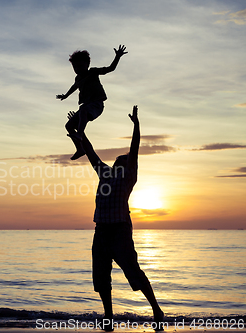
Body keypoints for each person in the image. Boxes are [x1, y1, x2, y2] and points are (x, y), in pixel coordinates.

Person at [70, 106, 164, 331]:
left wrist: (136, 126)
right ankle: (108, 317)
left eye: (122, 159)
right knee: (102, 277)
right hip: (100, 232)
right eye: (119, 158)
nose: (118, 159)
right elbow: (90, 151)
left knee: (134, 272)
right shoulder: (104, 172)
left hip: (119, 232)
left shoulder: (128, 176)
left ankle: (156, 310)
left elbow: (135, 149)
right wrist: (80, 131)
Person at [57, 45, 127, 160]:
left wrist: (117, 57)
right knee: (69, 125)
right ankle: (80, 149)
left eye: (80, 66)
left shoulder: (93, 72)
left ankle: (79, 134)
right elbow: (74, 87)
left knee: (83, 109)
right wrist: (65, 95)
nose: (77, 69)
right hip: (86, 106)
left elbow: (110, 69)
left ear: (87, 64)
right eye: (75, 67)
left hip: (97, 104)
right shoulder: (78, 78)